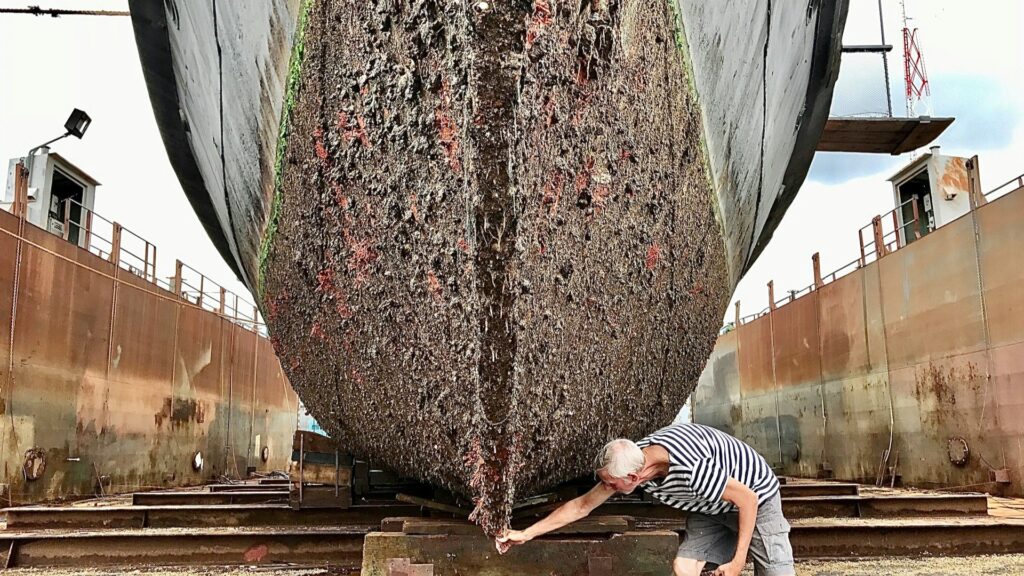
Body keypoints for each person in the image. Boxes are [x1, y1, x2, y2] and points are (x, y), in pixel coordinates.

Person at [498, 422, 793, 576]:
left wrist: (739, 560)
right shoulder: (632, 457)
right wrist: (526, 533)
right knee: (683, 568)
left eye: (609, 484)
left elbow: (748, 500)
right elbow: (582, 505)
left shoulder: (692, 467)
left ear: (634, 479)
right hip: (708, 505)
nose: (605, 487)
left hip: (754, 496)